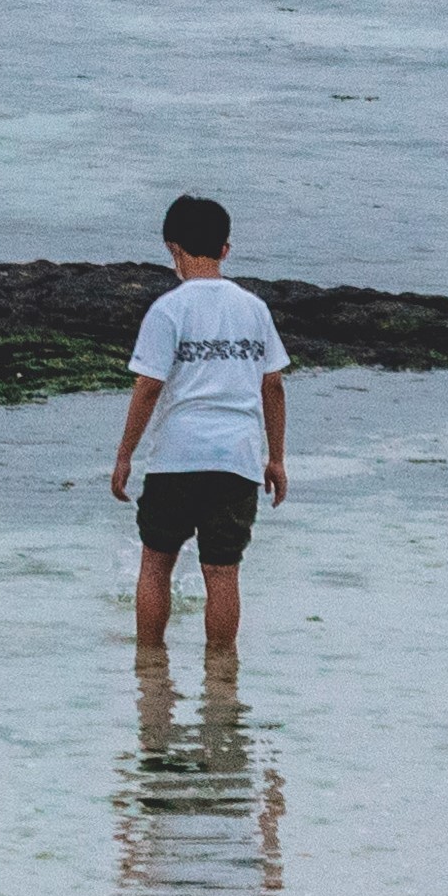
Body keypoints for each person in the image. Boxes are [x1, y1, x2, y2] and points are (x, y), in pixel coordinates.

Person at [109, 192, 288, 660]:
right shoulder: (254, 309)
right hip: (238, 458)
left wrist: (125, 454)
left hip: (177, 457)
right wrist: (277, 458)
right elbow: (273, 386)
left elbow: (147, 388)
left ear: (172, 248)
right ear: (225, 249)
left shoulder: (168, 310)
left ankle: (150, 665)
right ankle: (221, 674)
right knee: (223, 573)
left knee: (155, 564)